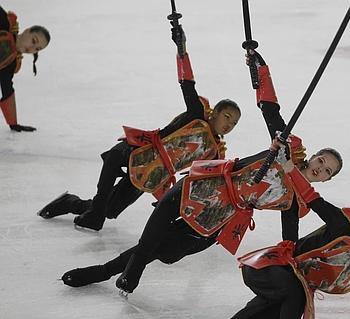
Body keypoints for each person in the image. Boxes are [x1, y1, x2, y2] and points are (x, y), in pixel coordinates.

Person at [60, 48, 344, 295]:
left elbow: (289, 239)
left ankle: (113, 269)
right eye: (322, 160)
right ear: (315, 155)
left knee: (164, 249)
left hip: (219, 216)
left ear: (327, 179)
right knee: (153, 233)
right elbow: (270, 107)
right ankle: (105, 271)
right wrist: (259, 68)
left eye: (327, 171)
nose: (320, 168)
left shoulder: (296, 199)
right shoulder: (284, 148)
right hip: (205, 187)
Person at [37, 22, 241, 231]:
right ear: (215, 112)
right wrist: (182, 48)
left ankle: (70, 202)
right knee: (107, 185)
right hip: (139, 150)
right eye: (227, 116)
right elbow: (187, 82)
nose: (229, 124)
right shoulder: (196, 114)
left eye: (234, 123)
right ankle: (94, 214)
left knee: (109, 210)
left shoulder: (214, 153)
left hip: (152, 173)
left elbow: (208, 184)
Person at [224, 165, 350, 319]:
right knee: (294, 293)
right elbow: (312, 197)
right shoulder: (345, 226)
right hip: (269, 267)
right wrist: (290, 167)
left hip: (292, 291)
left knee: (260, 315)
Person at [0, 6, 50, 132]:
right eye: (34, 41)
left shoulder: (10, 62)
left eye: (37, 49)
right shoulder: (4, 22)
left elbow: (7, 89)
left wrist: (13, 124)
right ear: (27, 31)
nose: (32, 48)